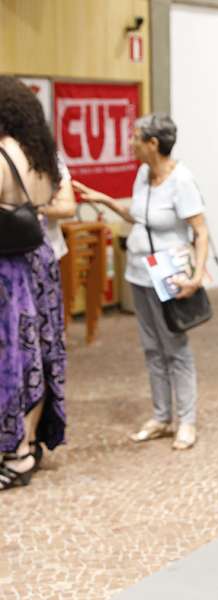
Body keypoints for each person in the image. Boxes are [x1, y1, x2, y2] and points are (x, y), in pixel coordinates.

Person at [73, 114, 208, 451]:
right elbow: (138, 218)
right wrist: (102, 199)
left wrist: (195, 277)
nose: (130, 142)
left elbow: (201, 231)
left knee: (174, 346)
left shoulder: (182, 180)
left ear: (153, 144)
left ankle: (186, 421)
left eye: (135, 137)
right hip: (138, 270)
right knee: (151, 347)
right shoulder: (143, 175)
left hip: (169, 274)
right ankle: (162, 417)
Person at [0, 75, 67, 489]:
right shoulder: (42, 154)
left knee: (11, 358)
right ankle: (27, 440)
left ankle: (17, 452)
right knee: (40, 354)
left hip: (7, 270)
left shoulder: (3, 154)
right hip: (40, 262)